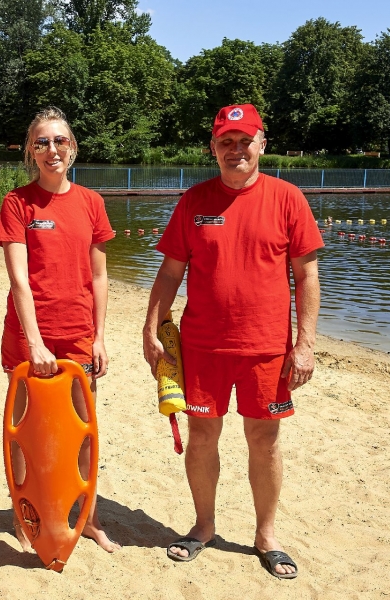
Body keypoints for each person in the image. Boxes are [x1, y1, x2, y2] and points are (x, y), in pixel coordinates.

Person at [141, 104, 323, 579]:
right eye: (226, 141)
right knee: (203, 436)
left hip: (267, 348)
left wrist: (305, 344)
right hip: (203, 347)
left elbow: (307, 276)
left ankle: (266, 536)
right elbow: (170, 272)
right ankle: (203, 526)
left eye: (245, 140)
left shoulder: (287, 199)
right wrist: (151, 328)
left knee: (264, 440)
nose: (236, 149)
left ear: (262, 144)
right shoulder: (194, 201)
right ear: (213, 147)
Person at [0, 107, 120, 554]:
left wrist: (100, 337)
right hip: (29, 335)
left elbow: (99, 276)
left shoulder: (91, 203)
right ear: (31, 151)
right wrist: (35, 342)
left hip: (79, 332)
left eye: (60, 140)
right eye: (42, 142)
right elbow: (19, 280)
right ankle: (23, 515)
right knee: (26, 431)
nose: (52, 150)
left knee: (83, 430)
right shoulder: (17, 203)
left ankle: (88, 518)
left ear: (73, 147)